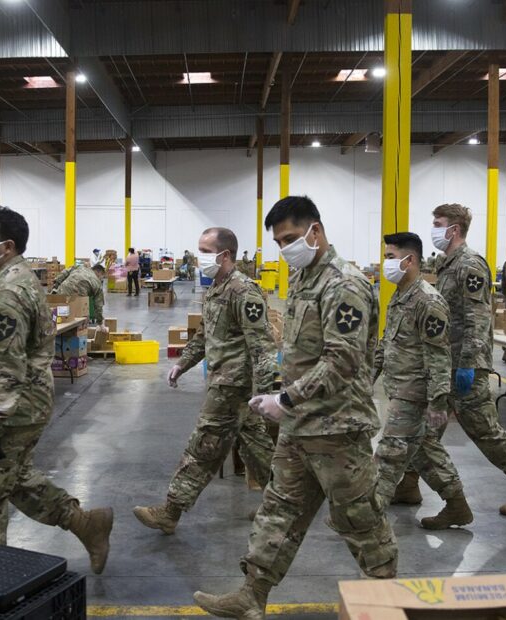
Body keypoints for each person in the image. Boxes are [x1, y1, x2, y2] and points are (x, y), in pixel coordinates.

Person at [193, 196, 397, 619]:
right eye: (278, 241)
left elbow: (343, 359)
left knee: (360, 519)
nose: (284, 248)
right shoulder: (305, 277)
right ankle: (252, 594)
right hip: (301, 424)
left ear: (315, 231)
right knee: (278, 510)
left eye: (289, 238)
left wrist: (286, 398)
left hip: (337, 428)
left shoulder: (344, 284)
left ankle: (386, 602)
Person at [0, 206, 113, 574]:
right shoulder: (16, 280)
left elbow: (5, 369)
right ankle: (87, 524)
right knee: (14, 477)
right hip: (26, 404)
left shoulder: (7, 291)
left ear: (6, 247)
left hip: (7, 410)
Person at [400, 203, 506, 519]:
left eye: (438, 223)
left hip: (465, 364)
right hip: (446, 362)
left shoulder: (470, 264)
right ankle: (409, 483)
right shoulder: (448, 263)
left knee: (483, 428)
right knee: (425, 427)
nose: (434, 229)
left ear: (454, 229)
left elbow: (478, 316)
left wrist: (468, 362)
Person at [134, 228, 277, 534]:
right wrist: (182, 364)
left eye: (204, 250)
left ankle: (169, 512)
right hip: (226, 382)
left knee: (203, 446)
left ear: (224, 255)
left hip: (234, 386)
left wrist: (264, 394)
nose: (199, 256)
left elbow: (263, 348)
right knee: (258, 447)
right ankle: (283, 506)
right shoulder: (217, 288)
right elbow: (204, 335)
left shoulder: (243, 292)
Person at [373, 232, 471, 528]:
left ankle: (364, 516)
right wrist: (367, 376)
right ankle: (457, 506)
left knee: (389, 454)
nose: (385, 264)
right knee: (425, 453)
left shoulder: (428, 300)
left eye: (390, 258)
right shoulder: (400, 296)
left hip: (416, 392)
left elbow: (439, 354)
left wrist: (438, 401)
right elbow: (386, 342)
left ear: (410, 260)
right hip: (399, 386)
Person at [51, 262, 107, 328]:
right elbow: (98, 305)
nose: (101, 279)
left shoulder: (80, 267)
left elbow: (65, 272)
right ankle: (76, 335)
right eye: (102, 276)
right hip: (78, 299)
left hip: (62, 290)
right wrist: (100, 323)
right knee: (81, 321)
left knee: (59, 316)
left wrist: (56, 285)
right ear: (99, 272)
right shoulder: (97, 282)